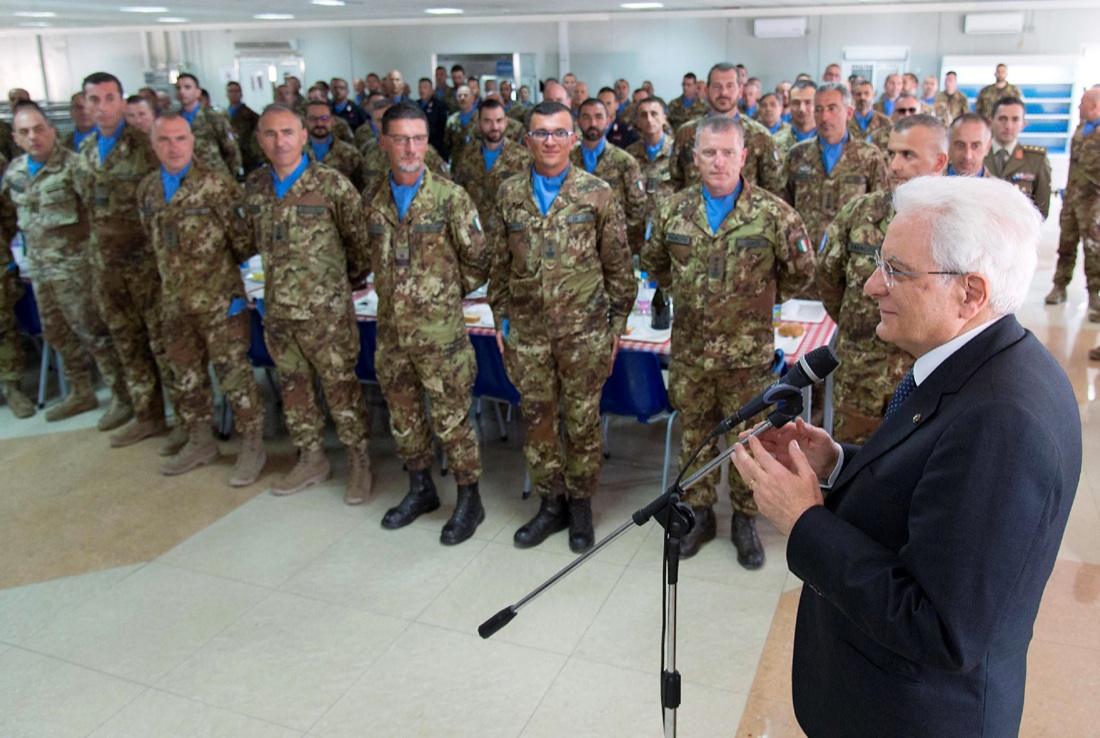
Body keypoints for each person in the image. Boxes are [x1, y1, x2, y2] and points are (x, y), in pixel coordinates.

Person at [733, 174, 1079, 738]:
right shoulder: (975, 364)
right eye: (880, 263)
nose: (872, 285)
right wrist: (837, 463)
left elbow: (941, 629)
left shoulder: (1003, 422)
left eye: (896, 270)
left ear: (970, 293)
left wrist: (803, 520)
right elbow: (938, 489)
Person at [643, 115, 816, 567]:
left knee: (751, 441)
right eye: (709, 153)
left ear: (743, 156)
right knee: (695, 438)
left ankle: (745, 519)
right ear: (694, 157)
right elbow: (656, 264)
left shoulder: (775, 214)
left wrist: (754, 301)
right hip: (691, 356)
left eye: (727, 153)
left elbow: (800, 274)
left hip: (748, 359)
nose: (718, 162)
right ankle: (700, 514)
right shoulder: (671, 211)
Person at [488, 100, 636, 554]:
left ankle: (581, 505)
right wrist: (499, 317)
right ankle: (551, 502)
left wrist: (616, 325)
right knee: (538, 421)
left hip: (584, 334)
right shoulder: (509, 194)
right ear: (526, 140)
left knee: (582, 421)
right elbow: (498, 264)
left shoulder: (597, 193)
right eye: (540, 133)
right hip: (528, 333)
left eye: (558, 132)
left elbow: (618, 266)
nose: (549, 141)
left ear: (573, 139)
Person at [363, 102, 491, 544]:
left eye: (418, 139)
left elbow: (479, 259)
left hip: (441, 336)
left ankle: (470, 499)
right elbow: (367, 255)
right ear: (384, 142)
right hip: (391, 333)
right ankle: (420, 489)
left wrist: (442, 293)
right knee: (404, 416)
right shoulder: (372, 199)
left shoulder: (451, 198)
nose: (410, 148)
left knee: (452, 420)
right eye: (400, 139)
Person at [244, 103, 372, 503]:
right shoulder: (256, 187)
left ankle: (359, 459)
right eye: (270, 134)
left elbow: (360, 244)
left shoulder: (331, 185)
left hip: (326, 313)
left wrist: (341, 284)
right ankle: (311, 456)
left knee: (341, 387)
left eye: (287, 132)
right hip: (279, 312)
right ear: (260, 140)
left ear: (303, 136)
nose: (279, 142)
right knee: (294, 387)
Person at [137, 113, 267, 483]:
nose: (173, 147)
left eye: (180, 138)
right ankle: (200, 440)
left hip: (220, 302)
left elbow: (243, 242)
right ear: (153, 144)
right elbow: (153, 240)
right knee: (186, 375)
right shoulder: (148, 190)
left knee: (234, 376)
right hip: (175, 302)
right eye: (164, 140)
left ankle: (252, 444)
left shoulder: (217, 186)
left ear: (193, 141)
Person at [817, 114, 948, 443]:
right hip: (861, 373)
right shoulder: (859, 213)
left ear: (939, 161)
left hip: (927, 376)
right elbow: (829, 280)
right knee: (850, 462)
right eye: (891, 153)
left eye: (908, 155)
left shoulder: (957, 225)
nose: (894, 165)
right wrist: (861, 324)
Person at [0, 102, 125, 425]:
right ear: (15, 138)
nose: (34, 137)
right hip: (40, 270)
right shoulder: (15, 172)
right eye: (25, 132)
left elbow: (102, 216)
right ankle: (81, 391)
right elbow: (11, 219)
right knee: (56, 333)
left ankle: (121, 397)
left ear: (52, 131)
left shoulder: (75, 167)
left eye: (39, 129)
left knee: (94, 334)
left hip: (77, 270)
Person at [74, 71, 171, 447]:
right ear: (85, 104)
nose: (102, 107)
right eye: (93, 100)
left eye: (109, 98)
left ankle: (186, 421)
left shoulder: (146, 146)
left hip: (145, 264)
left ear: (121, 100)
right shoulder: (85, 151)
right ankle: (147, 414)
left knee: (162, 343)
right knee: (125, 341)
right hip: (106, 266)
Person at [782, 82, 889, 250]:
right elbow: (784, 207)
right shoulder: (797, 155)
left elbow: (881, 208)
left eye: (832, 109)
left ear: (849, 112)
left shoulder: (868, 156)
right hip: (805, 252)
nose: (824, 117)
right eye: (818, 109)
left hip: (849, 252)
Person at [670, 63, 782, 195]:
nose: (723, 93)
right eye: (717, 86)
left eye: (730, 86)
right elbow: (676, 181)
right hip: (695, 206)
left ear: (740, 91)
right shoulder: (687, 133)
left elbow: (772, 188)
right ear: (706, 90)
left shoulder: (760, 136)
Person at [570, 98, 647, 254]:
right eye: (586, 117)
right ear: (578, 122)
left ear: (608, 121)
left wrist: (623, 241)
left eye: (598, 117)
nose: (592, 123)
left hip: (615, 244)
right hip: (575, 244)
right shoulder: (568, 160)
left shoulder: (624, 161)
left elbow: (637, 209)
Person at [1052, 88, 1100, 314]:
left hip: (1093, 204)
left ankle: (1094, 295)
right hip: (1072, 200)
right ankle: (1059, 287)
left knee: (1094, 250)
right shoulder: (1080, 129)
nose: (1079, 106)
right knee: (1066, 246)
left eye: (1083, 102)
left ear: (1095, 106)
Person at [451, 98, 533, 221]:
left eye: (499, 120)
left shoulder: (523, 158)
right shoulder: (466, 158)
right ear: (478, 122)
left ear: (506, 121)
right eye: (487, 121)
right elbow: (458, 197)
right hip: (476, 228)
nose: (494, 127)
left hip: (510, 227)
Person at [984, 96, 1051, 219]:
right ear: (991, 122)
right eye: (1002, 119)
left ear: (1023, 124)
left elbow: (1041, 211)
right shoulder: (976, 156)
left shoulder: (1036, 160)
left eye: (1015, 119)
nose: (1008, 126)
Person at [175, 73, 242, 179]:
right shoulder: (174, 120)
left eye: (187, 87)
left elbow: (231, 150)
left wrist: (228, 177)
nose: (182, 91)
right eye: (178, 88)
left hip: (214, 176)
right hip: (186, 177)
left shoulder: (213, 117)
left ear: (198, 92)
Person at [625, 97, 676, 230]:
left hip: (668, 225)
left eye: (654, 114)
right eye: (644, 115)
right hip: (637, 228)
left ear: (664, 118)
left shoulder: (677, 151)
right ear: (637, 122)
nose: (649, 119)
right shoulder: (629, 155)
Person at [304, 100, 366, 192]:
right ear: (305, 121)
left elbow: (362, 189)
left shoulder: (350, 154)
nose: (319, 123)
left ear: (332, 121)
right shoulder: (296, 153)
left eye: (324, 118)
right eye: (313, 119)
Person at [773, 80, 817, 159]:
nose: (801, 109)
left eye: (808, 102)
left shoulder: (828, 140)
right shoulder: (775, 142)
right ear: (789, 104)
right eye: (796, 103)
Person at [226, 80, 261, 172]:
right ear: (227, 94)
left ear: (241, 94)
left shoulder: (250, 115)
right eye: (231, 91)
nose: (234, 94)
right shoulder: (223, 115)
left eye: (236, 91)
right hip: (230, 156)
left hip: (248, 157)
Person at [847, 79, 892, 147]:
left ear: (873, 95)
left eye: (866, 93)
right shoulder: (845, 121)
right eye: (858, 94)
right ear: (852, 96)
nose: (862, 97)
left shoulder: (885, 122)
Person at [417, 77, 449, 156]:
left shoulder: (440, 106)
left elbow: (444, 129)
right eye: (420, 87)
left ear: (432, 90)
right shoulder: (415, 105)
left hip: (436, 148)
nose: (422, 90)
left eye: (425, 87)